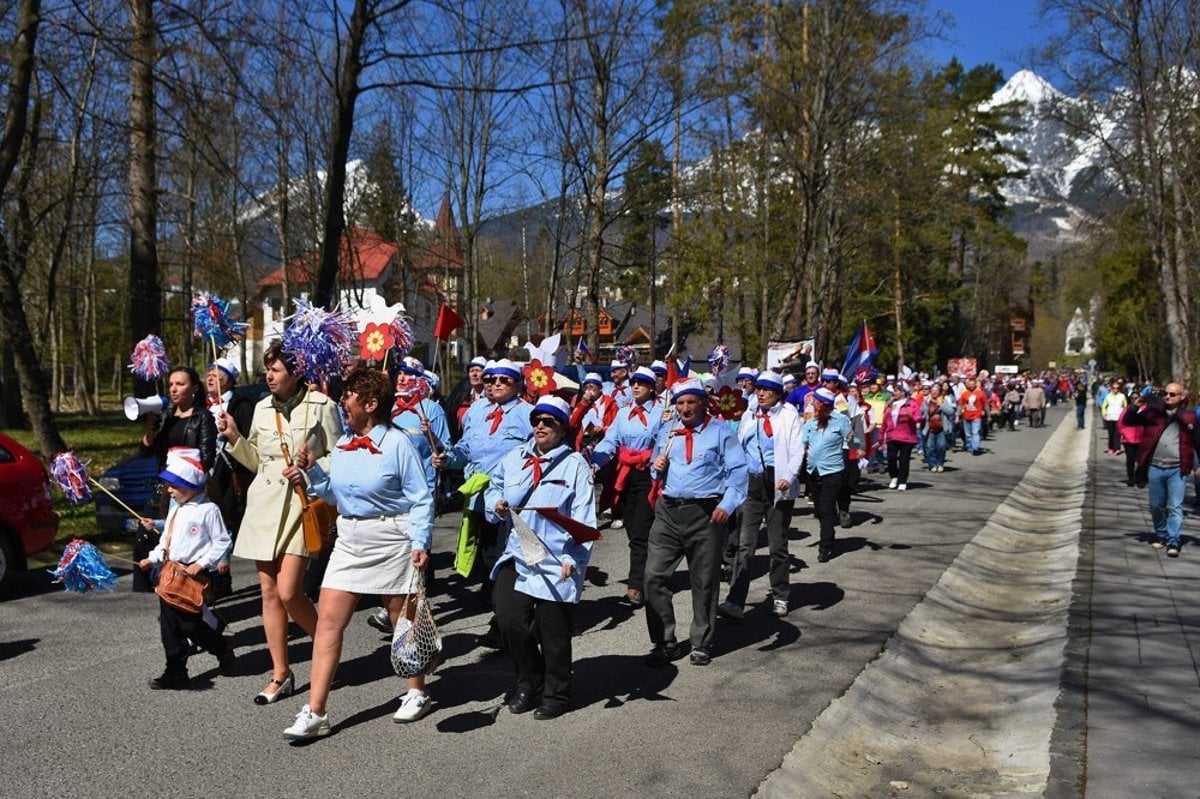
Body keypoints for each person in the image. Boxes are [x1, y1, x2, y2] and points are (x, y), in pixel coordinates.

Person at [281, 368, 436, 740]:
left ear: (370, 404)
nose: (342, 401)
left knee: (403, 621)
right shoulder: (343, 446)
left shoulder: (399, 444)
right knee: (329, 621)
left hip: (393, 537)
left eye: (349, 395)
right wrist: (311, 473)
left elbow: (421, 498)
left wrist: (420, 541)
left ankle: (417, 690)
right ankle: (316, 711)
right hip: (350, 538)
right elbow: (335, 496)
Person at [219, 341, 343, 705]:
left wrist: (312, 467)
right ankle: (280, 674)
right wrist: (234, 438)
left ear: (295, 371)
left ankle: (326, 650)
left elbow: (342, 456)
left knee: (290, 591)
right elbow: (258, 462)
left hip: (302, 505)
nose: (268, 376)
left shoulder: (322, 406)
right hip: (264, 505)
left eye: (275, 370)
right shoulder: (259, 408)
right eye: (266, 370)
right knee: (269, 593)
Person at [486, 396, 596, 720]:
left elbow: (585, 520)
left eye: (550, 422)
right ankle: (528, 680)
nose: (541, 426)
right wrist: (496, 504)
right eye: (537, 420)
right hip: (518, 552)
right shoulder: (514, 458)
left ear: (563, 428)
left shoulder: (576, 466)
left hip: (557, 557)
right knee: (508, 620)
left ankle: (556, 692)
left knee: (553, 633)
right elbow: (493, 488)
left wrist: (574, 561)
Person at [643, 379, 748, 668]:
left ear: (703, 403)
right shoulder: (668, 433)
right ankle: (665, 642)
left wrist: (727, 505)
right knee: (653, 577)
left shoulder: (720, 432)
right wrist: (657, 468)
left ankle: (701, 641)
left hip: (705, 513)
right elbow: (656, 473)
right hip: (668, 512)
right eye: (680, 403)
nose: (685, 408)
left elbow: (738, 471)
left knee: (703, 580)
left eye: (691, 402)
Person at [138, 448, 235, 689]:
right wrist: (153, 558)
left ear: (189, 485)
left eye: (173, 486)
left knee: (190, 624)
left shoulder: (208, 510)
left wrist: (201, 564)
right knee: (169, 626)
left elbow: (223, 541)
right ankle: (176, 671)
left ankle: (220, 646)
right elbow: (166, 541)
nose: (169, 491)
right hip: (169, 573)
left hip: (191, 576)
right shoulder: (177, 510)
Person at [719, 371, 803, 620]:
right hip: (752, 484)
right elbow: (737, 445)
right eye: (759, 389)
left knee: (777, 545)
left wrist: (788, 475)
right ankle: (735, 601)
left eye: (768, 390)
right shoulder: (749, 414)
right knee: (745, 545)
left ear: (778, 394)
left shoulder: (789, 416)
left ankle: (780, 595)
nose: (762, 394)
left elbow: (797, 449)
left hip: (778, 484)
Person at [134, 366, 217, 592]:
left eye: (180, 384)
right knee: (145, 532)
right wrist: (150, 428)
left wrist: (188, 479)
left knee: (184, 540)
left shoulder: (203, 418)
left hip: (189, 487)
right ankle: (163, 585)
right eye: (171, 384)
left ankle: (189, 588)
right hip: (163, 486)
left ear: (194, 388)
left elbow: (207, 457)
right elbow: (146, 453)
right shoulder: (167, 417)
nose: (173, 389)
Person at [591, 366, 662, 607]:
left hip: (649, 475)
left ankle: (636, 586)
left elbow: (665, 443)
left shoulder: (662, 413)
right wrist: (595, 463)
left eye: (642, 383)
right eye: (634, 382)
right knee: (633, 529)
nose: (636, 386)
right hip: (625, 475)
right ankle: (650, 571)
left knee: (641, 530)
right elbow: (611, 441)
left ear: (652, 387)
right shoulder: (623, 414)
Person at [1126, 383, 1200, 557]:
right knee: (1156, 506)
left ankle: (1173, 540)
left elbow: (1198, 441)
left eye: (1172, 394)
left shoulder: (1189, 417)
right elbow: (1130, 421)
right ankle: (1161, 534)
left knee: (1176, 506)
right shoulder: (1153, 413)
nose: (1168, 397)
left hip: (1177, 469)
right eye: (1165, 394)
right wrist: (1134, 407)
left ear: (1182, 397)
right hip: (1155, 467)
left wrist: (1197, 465)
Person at [204, 357, 255, 599]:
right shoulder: (202, 405)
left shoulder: (241, 405)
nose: (211, 376)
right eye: (208, 373)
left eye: (217, 373)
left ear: (230, 379)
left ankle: (221, 579)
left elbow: (246, 439)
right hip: (204, 476)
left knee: (222, 527)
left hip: (227, 477)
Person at [801, 387, 851, 562]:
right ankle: (829, 534)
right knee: (819, 511)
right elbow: (802, 442)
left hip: (833, 471)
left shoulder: (841, 421)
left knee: (826, 508)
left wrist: (856, 445)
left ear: (823, 403)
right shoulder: (811, 423)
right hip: (813, 471)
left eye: (815, 400)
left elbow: (852, 439)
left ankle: (825, 547)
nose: (812, 403)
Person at [881, 383, 922, 491]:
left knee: (904, 460)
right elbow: (885, 420)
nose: (894, 393)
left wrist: (911, 415)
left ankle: (902, 480)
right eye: (894, 390)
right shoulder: (891, 404)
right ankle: (894, 477)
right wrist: (881, 436)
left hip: (907, 437)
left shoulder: (912, 403)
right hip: (892, 435)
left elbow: (918, 418)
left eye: (897, 390)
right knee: (891, 458)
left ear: (903, 393)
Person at [922, 384, 954, 473]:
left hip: (941, 427)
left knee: (941, 446)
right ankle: (932, 464)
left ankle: (940, 463)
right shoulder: (926, 401)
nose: (934, 392)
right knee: (930, 447)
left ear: (939, 392)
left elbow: (951, 411)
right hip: (930, 427)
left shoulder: (944, 401)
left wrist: (941, 405)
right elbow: (921, 412)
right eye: (933, 390)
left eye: (936, 390)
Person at [1118, 396, 1146, 487]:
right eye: (1133, 399)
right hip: (1128, 439)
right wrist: (1123, 433)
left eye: (1137, 398)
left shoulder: (1145, 410)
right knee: (1130, 460)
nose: (1136, 401)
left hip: (1141, 438)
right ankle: (1131, 478)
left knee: (1142, 460)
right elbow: (1120, 423)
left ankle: (1140, 478)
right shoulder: (1127, 410)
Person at [957, 377, 987, 455]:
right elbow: (960, 405)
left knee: (975, 432)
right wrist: (957, 415)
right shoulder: (964, 394)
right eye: (969, 384)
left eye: (972, 384)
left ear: (975, 384)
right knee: (968, 434)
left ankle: (975, 448)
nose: (970, 385)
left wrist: (988, 414)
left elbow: (986, 405)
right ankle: (969, 447)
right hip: (966, 416)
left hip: (976, 416)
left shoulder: (981, 393)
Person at [1101, 378, 1128, 455]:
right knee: (1111, 434)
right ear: (1111, 388)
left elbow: (1125, 407)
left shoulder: (1122, 396)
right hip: (1110, 417)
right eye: (1113, 388)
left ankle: (1117, 448)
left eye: (1117, 388)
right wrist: (1104, 414)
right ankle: (1110, 448)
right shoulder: (1108, 396)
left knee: (1118, 434)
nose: (1115, 389)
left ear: (1120, 388)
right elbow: (1104, 406)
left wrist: (1124, 416)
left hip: (1119, 418)